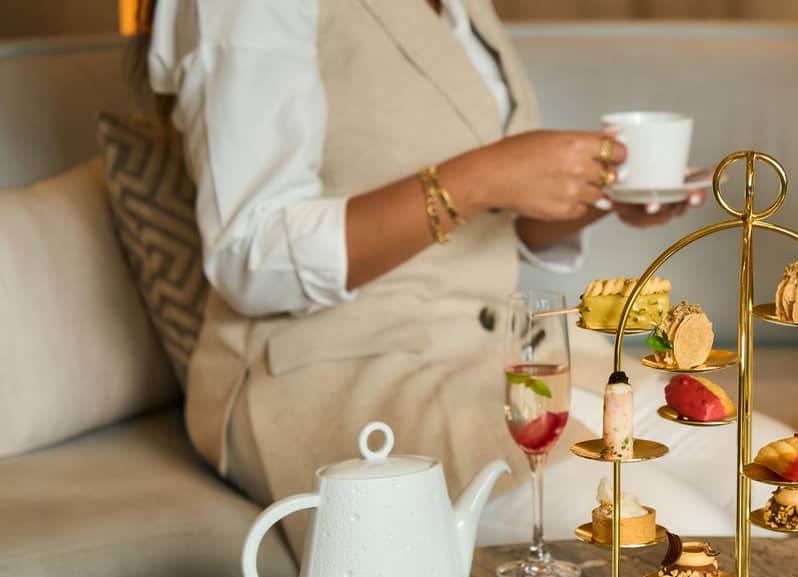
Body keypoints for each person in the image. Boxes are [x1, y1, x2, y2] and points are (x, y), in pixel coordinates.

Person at [142, 0, 752, 547]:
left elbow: (497, 220)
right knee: (693, 543)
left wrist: (592, 195)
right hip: (339, 372)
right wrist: (481, 177)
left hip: (503, 357)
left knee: (769, 488)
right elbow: (251, 258)